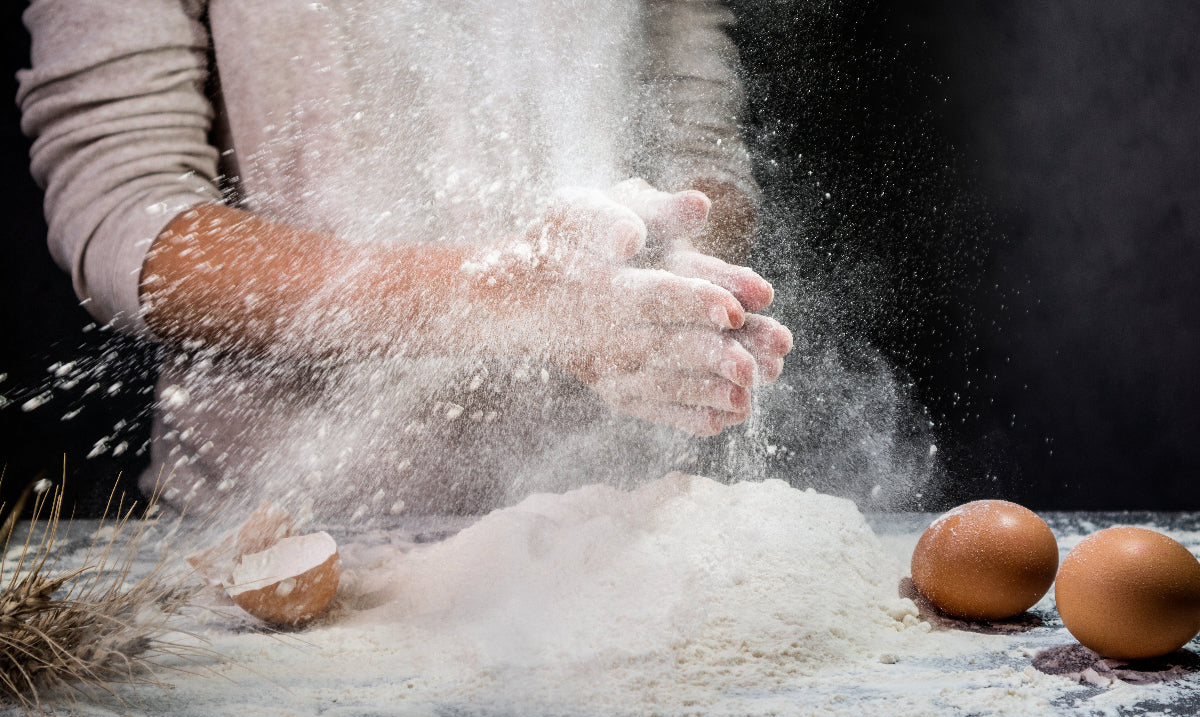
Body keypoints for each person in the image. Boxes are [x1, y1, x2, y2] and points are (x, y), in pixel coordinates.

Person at [18, 0, 792, 520]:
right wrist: (501, 299)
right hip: (284, 534)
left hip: (616, 527)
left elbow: (700, 151)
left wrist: (682, 261)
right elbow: (129, 215)